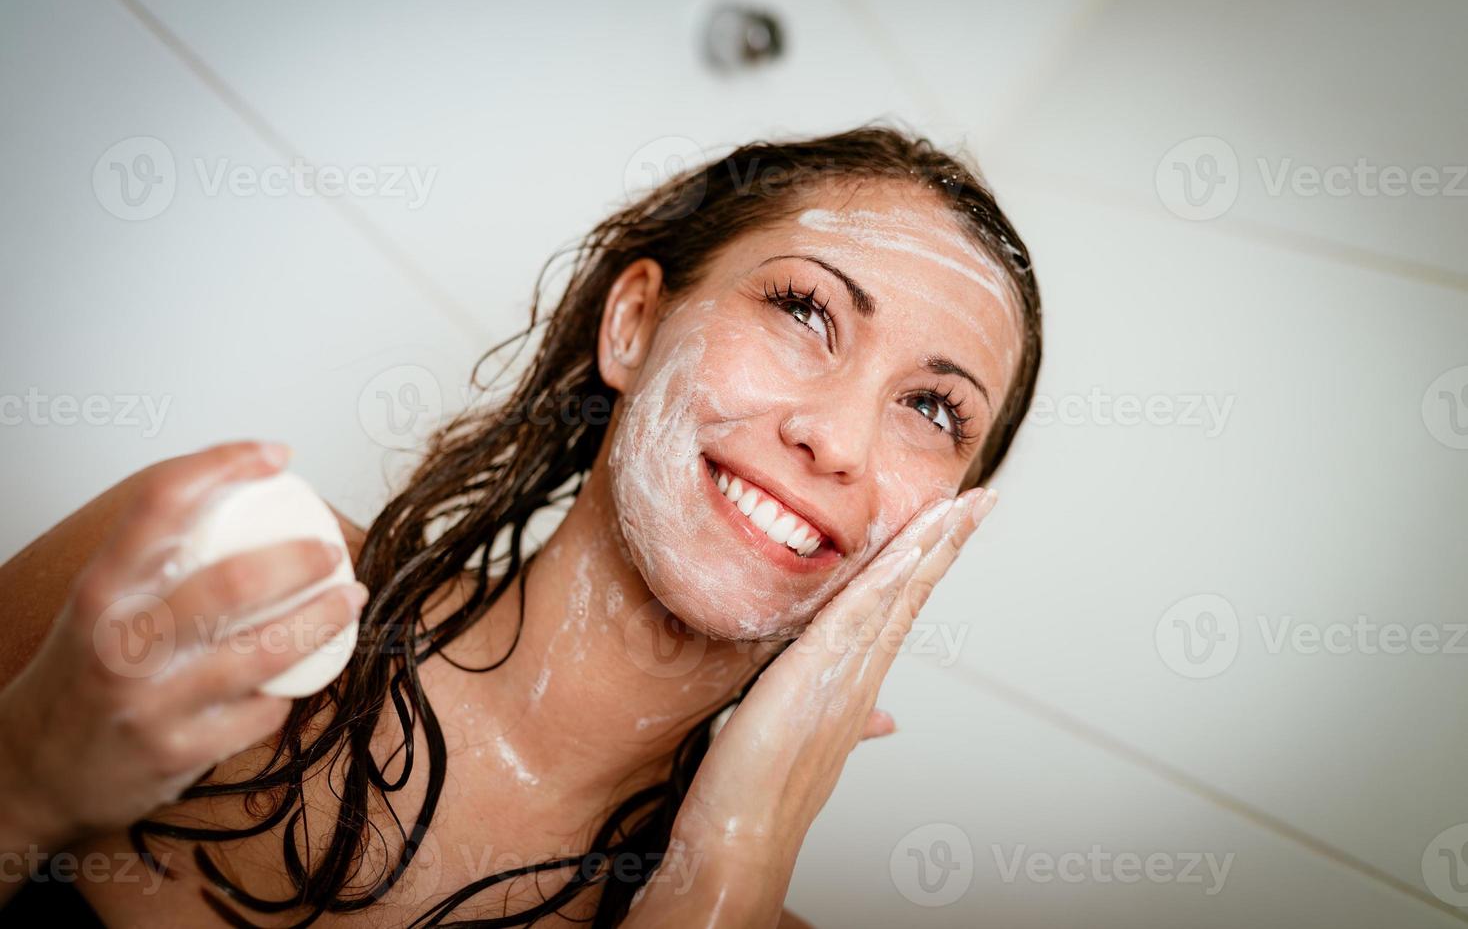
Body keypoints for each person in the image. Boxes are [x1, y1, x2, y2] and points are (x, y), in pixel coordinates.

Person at [0, 124, 1042, 926]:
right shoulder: (205, 585)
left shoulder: (739, 901)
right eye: (805, 311)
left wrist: (724, 867)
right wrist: (26, 780)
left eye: (932, 410)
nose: (838, 439)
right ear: (633, 323)